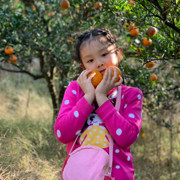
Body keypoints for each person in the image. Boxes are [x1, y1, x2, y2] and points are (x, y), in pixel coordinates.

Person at [54, 28, 143, 180]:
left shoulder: (132, 95)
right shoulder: (76, 90)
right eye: (90, 60)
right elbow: (62, 134)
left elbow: (127, 137)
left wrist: (101, 97)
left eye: (104, 54)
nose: (99, 63)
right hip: (81, 174)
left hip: (116, 175)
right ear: (83, 68)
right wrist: (88, 96)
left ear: (118, 54)